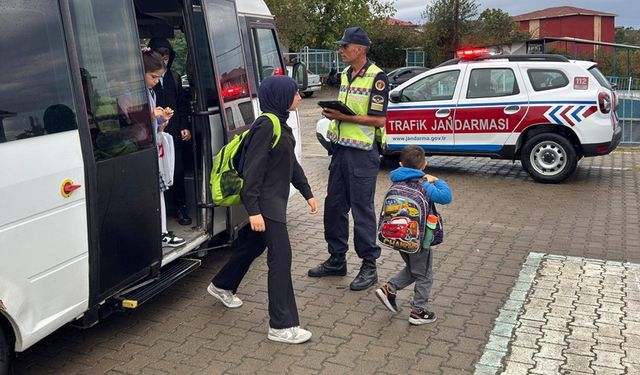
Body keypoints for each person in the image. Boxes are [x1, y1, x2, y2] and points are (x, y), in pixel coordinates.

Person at [207, 75, 318, 344]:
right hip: (266, 206)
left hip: (272, 202)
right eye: (295, 93)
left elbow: (291, 164)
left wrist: (308, 193)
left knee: (253, 246)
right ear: (281, 96)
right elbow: (252, 173)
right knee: (281, 259)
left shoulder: (280, 124)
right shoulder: (266, 126)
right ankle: (281, 326)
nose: (300, 97)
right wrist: (254, 210)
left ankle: (222, 285)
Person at [308, 27, 389, 291]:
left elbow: (379, 119)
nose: (341, 50)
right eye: (341, 46)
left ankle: (369, 265)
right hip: (341, 149)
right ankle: (337, 258)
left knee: (361, 209)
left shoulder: (377, 78)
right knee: (334, 206)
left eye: (345, 46)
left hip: (363, 152)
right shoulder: (345, 74)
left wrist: (344, 117)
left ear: (360, 48)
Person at [375, 145, 452, 324]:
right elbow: (446, 197)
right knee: (424, 274)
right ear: (424, 165)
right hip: (420, 239)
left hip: (398, 237)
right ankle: (418, 311)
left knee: (414, 269)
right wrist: (436, 180)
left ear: (401, 164)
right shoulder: (425, 186)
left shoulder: (397, 182)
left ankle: (389, 289)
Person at [141, 48, 185, 247]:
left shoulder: (150, 92)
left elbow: (155, 126)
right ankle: (159, 233)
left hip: (151, 147)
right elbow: (133, 123)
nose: (156, 81)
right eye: (153, 77)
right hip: (141, 149)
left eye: (159, 78)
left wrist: (163, 120)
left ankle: (162, 231)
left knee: (159, 191)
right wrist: (151, 117)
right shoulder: (132, 95)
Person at [148, 38, 193, 226]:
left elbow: (182, 104)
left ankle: (181, 208)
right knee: (158, 172)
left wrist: (185, 125)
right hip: (156, 131)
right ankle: (161, 213)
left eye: (167, 55)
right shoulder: (149, 79)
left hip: (173, 132)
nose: (164, 59)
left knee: (177, 170)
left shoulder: (174, 76)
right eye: (160, 55)